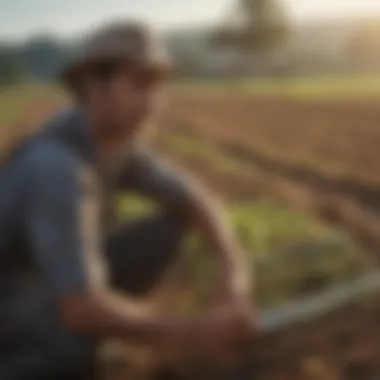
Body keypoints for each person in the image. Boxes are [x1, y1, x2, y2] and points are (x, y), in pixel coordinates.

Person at [0, 20, 257, 380]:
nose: (153, 103)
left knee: (169, 226)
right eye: (139, 84)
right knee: (73, 351)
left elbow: (196, 199)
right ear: (92, 86)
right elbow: (79, 309)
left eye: (158, 87)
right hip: (11, 306)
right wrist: (195, 332)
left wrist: (233, 275)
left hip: (45, 284)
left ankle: (99, 331)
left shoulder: (114, 144)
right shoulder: (55, 168)